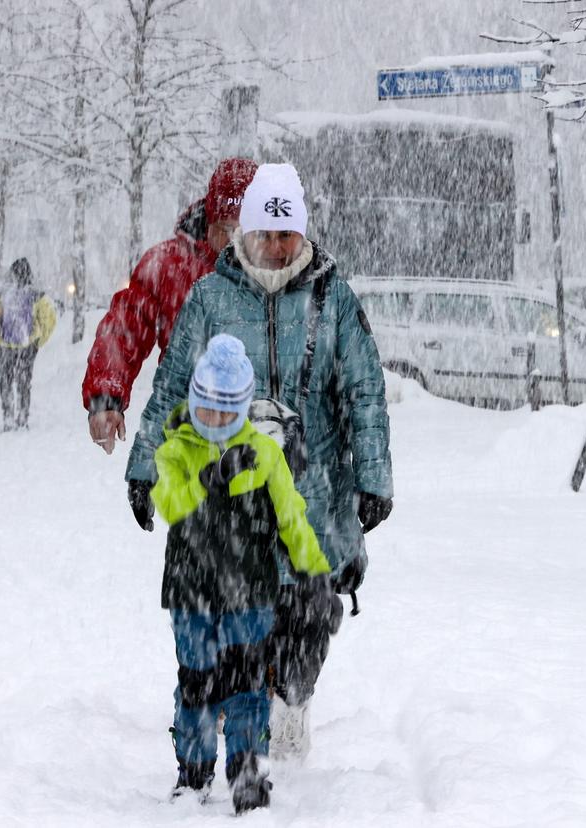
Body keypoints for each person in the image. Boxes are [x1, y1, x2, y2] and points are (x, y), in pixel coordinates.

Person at [126, 162, 394, 757]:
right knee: (230, 609)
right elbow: (172, 387)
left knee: (311, 610)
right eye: (265, 233)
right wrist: (145, 467)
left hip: (315, 493)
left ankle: (292, 695)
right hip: (232, 496)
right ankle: (234, 705)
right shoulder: (210, 298)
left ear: (302, 233)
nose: (275, 247)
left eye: (286, 234)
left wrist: (373, 475)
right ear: (244, 232)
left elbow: (364, 391)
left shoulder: (335, 299)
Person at [151, 333, 331, 813]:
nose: (214, 422)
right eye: (207, 409)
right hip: (192, 595)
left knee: (249, 688)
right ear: (195, 399)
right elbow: (170, 504)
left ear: (243, 408)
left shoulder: (264, 455)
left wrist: (316, 573)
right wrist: (210, 481)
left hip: (249, 596)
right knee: (197, 687)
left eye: (226, 413)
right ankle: (192, 775)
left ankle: (248, 772)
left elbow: (292, 517)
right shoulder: (176, 449)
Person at [82, 157, 259, 454]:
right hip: (187, 434)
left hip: (262, 439)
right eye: (226, 229)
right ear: (209, 221)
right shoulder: (167, 265)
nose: (234, 243)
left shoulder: (282, 268)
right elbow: (123, 329)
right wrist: (105, 398)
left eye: (246, 232)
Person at [0, 257, 56, 431]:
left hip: (4, 345)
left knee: (5, 380)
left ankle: (8, 417)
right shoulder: (36, 294)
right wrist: (38, 340)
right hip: (27, 345)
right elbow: (49, 319)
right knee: (24, 382)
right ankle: (22, 416)